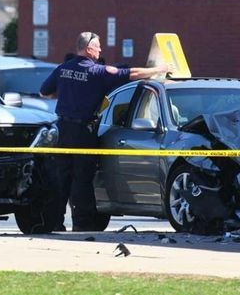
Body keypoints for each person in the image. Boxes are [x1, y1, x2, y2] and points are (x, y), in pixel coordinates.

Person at [40, 31, 173, 231]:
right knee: (82, 178)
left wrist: (69, 95)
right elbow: (133, 74)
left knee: (61, 178)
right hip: (83, 131)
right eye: (98, 46)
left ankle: (54, 223)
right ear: (88, 49)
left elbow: (44, 91)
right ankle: (82, 224)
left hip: (63, 130)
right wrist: (160, 69)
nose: (101, 49)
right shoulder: (97, 71)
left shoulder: (62, 69)